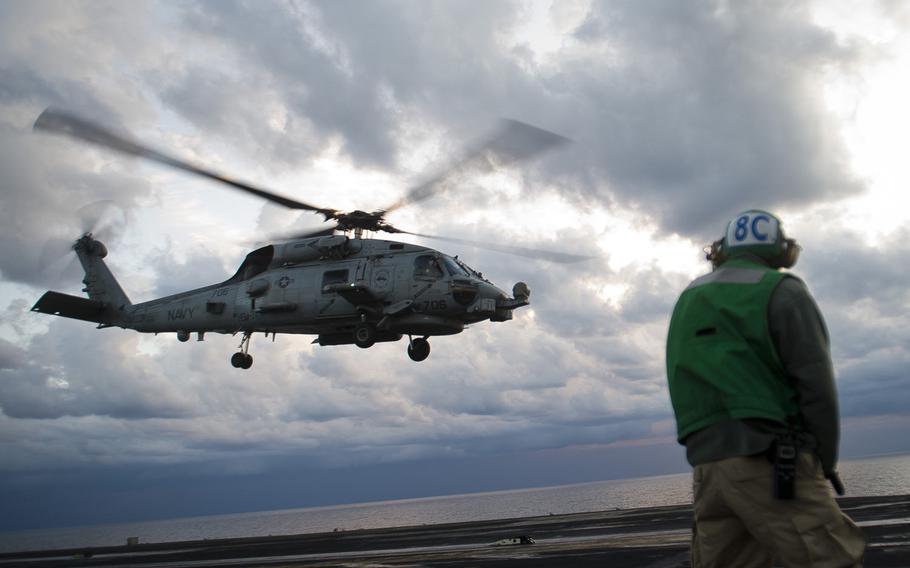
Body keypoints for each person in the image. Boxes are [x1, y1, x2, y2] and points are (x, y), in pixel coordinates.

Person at [665, 210, 865, 567]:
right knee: (833, 558)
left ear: (720, 250)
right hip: (773, 462)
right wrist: (824, 461)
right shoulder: (783, 290)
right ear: (782, 251)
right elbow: (817, 387)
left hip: (708, 471)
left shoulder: (689, 299)